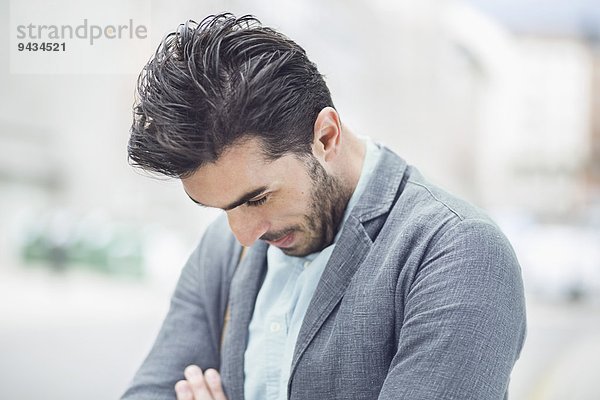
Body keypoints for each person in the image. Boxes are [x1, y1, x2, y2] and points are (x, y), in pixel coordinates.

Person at [122, 13, 526, 400]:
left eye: (258, 198)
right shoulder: (221, 250)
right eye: (218, 208)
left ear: (326, 136)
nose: (243, 235)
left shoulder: (456, 252)